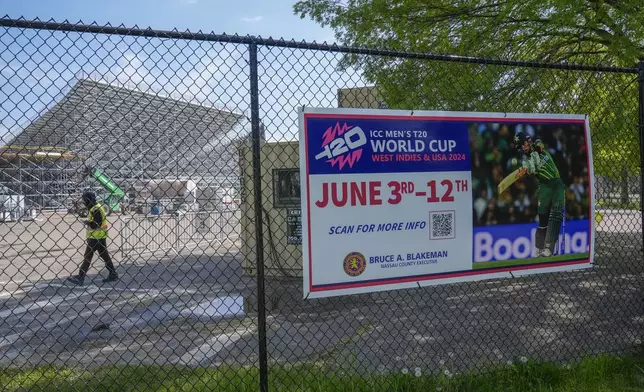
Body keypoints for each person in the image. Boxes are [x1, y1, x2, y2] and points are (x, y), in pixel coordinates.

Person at [514, 131, 566, 257]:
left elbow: (539, 145)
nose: (523, 147)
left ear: (528, 141)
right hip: (544, 186)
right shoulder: (526, 161)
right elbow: (532, 172)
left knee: (556, 214)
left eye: (524, 144)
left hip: (556, 183)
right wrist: (529, 169)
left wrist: (535, 152)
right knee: (542, 216)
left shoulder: (537, 144)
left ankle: (549, 248)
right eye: (520, 146)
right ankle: (538, 247)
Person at [66, 190, 118, 285]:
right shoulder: (95, 208)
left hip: (96, 238)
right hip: (100, 236)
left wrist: (88, 223)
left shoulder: (96, 209)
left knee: (88, 256)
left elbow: (96, 224)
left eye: (85, 200)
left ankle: (81, 277)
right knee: (104, 256)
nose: (84, 203)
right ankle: (113, 273)